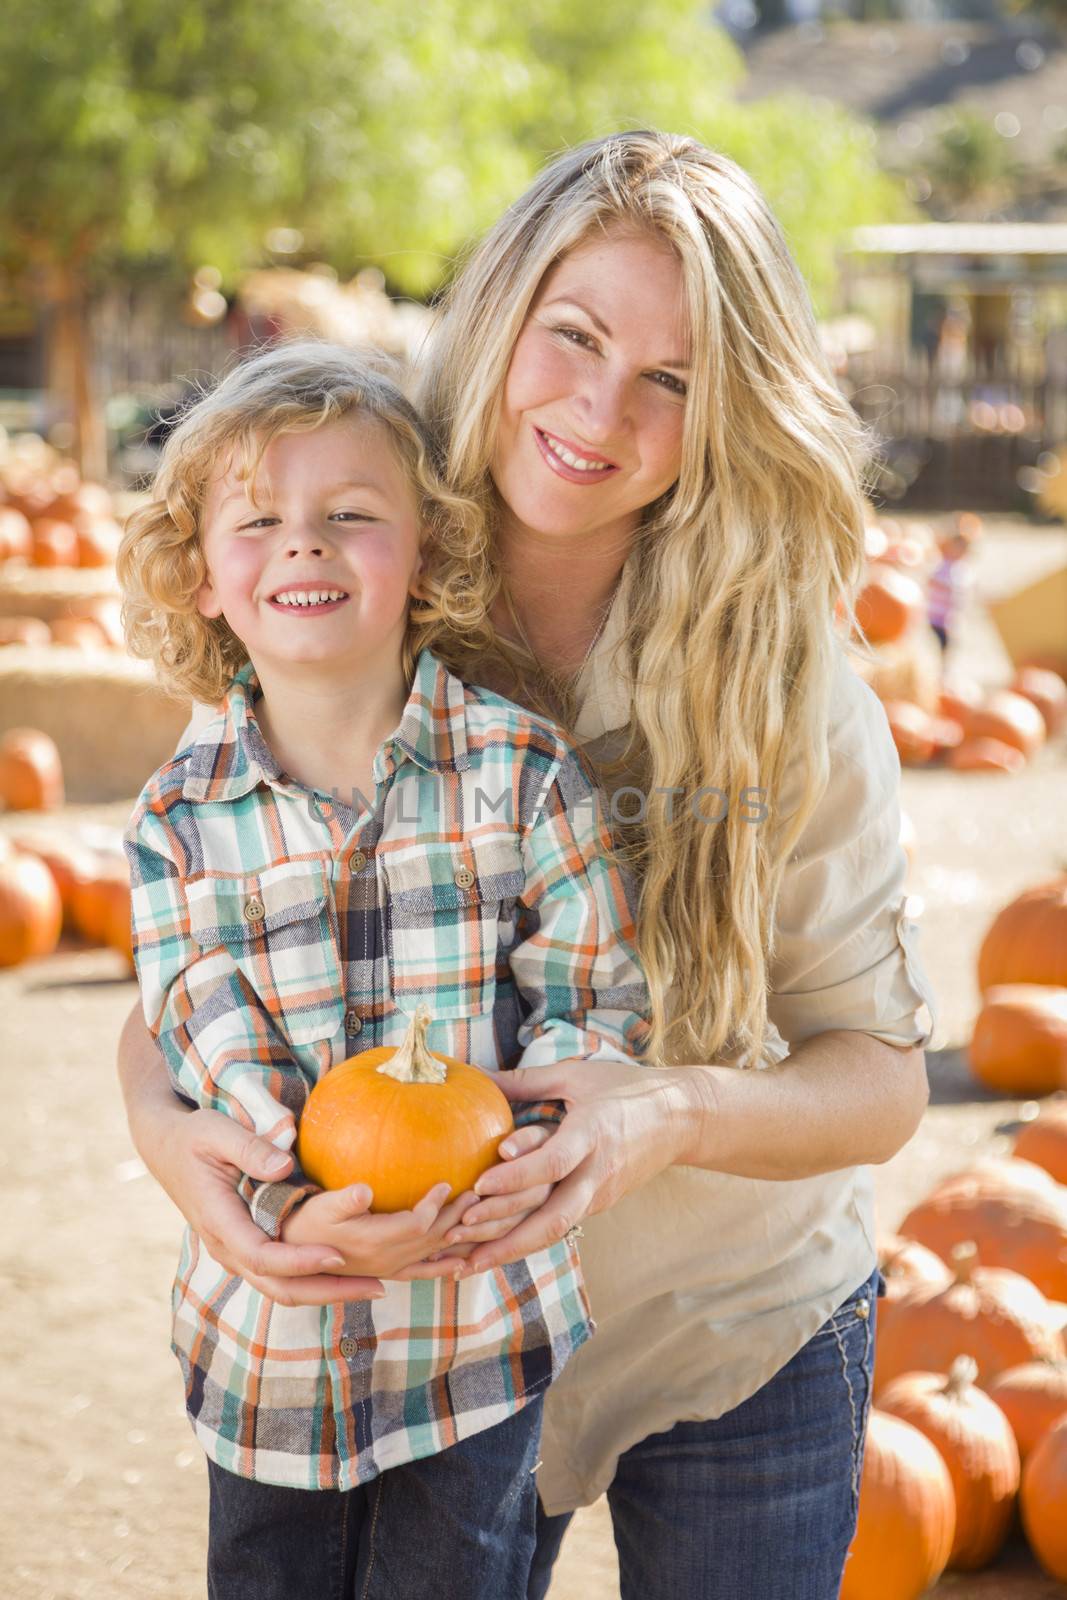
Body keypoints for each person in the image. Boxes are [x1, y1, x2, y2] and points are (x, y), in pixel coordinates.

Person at [117, 131, 937, 1600]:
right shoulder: (340, 567)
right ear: (502, 314)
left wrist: (665, 1114)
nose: (599, 407)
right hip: (440, 1336)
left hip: (731, 1314)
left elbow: (876, 1078)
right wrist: (171, 1145)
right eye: (572, 335)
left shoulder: (784, 676)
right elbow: (202, 935)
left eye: (670, 379)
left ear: (722, 412)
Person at [116, 340, 652, 1600]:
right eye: (258, 521)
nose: (303, 545)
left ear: (426, 555)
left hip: (476, 1321)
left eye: (350, 516)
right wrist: (285, 1198)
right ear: (201, 577)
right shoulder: (176, 821)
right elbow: (202, 1026)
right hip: (276, 1332)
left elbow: (590, 1001)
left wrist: (525, 1161)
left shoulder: (518, 774)